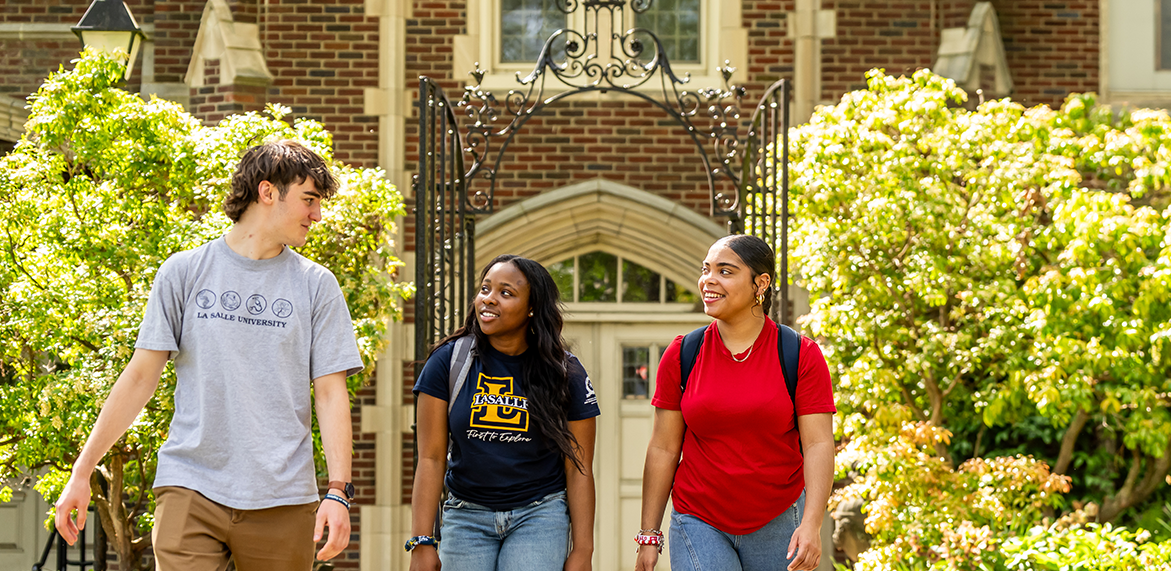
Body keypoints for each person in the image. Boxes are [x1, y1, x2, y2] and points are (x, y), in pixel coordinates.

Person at [53, 140, 363, 570]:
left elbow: (330, 394)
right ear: (267, 192)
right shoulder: (184, 272)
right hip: (191, 486)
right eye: (309, 200)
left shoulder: (316, 285)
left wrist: (338, 491)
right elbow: (140, 376)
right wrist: (83, 470)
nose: (318, 215)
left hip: (283, 497)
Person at [634, 235, 836, 571]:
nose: (708, 280)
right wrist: (649, 535)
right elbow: (663, 448)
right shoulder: (683, 354)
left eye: (725, 271)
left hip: (780, 521)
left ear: (761, 283)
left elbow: (818, 444)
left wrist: (812, 524)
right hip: (698, 519)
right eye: (706, 270)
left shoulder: (800, 354)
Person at [408, 254, 600, 571]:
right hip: (466, 516)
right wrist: (421, 541)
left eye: (505, 292)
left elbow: (578, 468)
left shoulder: (565, 373)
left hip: (539, 515)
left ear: (532, 308)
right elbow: (431, 458)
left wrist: (583, 550)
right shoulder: (448, 362)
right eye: (485, 289)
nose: (489, 299)